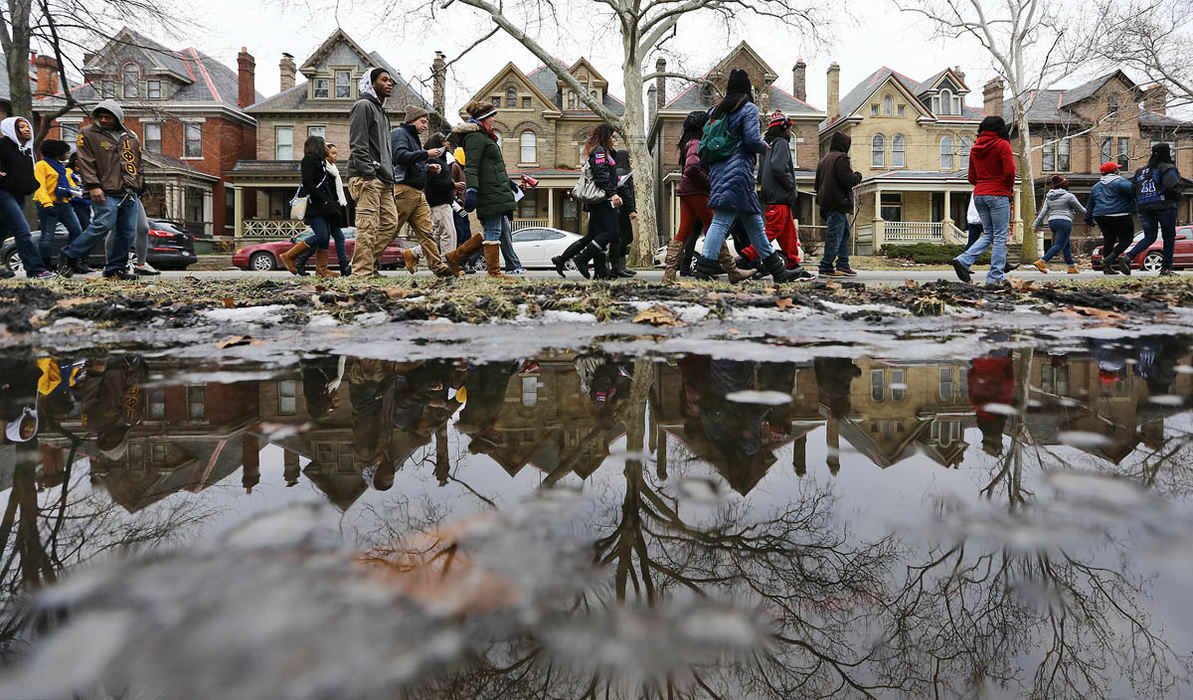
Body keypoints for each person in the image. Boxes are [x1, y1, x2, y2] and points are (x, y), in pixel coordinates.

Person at [695, 69, 800, 283]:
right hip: (739, 172)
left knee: (754, 223)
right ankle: (703, 270)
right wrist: (765, 147)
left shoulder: (716, 111)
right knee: (722, 221)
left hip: (718, 172)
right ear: (747, 91)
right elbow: (752, 140)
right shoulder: (748, 108)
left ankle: (778, 272)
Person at [57, 100, 143, 281]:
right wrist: (93, 186)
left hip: (129, 192)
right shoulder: (87, 134)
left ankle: (115, 269)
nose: (103, 120)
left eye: (108, 117)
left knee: (127, 232)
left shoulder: (130, 136)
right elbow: (86, 162)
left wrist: (139, 184)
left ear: (117, 117)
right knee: (102, 225)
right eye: (100, 116)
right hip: (105, 190)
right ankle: (69, 255)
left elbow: (137, 163)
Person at [661, 111, 747, 283]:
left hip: (688, 191)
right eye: (707, 124)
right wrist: (711, 183)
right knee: (715, 227)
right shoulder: (696, 143)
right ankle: (732, 271)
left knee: (684, 231)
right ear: (701, 126)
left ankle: (669, 274)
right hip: (697, 191)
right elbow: (692, 168)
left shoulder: (689, 142)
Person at [742, 110, 813, 280]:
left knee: (788, 234)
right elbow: (779, 168)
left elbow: (760, 176)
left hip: (776, 198)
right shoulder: (781, 143)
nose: (790, 132)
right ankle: (746, 257)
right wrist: (791, 185)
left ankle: (793, 264)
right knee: (771, 231)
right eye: (789, 128)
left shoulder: (766, 147)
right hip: (780, 197)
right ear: (783, 129)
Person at [345, 68, 401, 278]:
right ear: (371, 83)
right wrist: (368, 174)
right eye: (384, 80)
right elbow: (358, 145)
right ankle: (361, 272)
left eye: (390, 80)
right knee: (367, 226)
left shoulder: (381, 112)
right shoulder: (363, 106)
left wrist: (388, 177)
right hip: (366, 177)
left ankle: (363, 263)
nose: (389, 84)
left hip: (385, 179)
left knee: (390, 223)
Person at [550, 124, 621, 279]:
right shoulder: (599, 151)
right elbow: (600, 174)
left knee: (593, 236)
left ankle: (564, 260)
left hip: (600, 198)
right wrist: (613, 194)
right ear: (605, 137)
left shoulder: (604, 152)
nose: (614, 139)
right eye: (612, 136)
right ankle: (582, 259)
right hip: (600, 199)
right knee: (611, 232)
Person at [951, 115, 1015, 286]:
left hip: (979, 194)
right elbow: (1009, 172)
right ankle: (995, 277)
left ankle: (963, 260)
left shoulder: (975, 148)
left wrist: (983, 185)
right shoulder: (1003, 145)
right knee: (1000, 236)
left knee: (989, 234)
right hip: (998, 194)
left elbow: (971, 177)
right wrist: (1006, 188)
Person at [456, 100, 516, 279]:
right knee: (493, 230)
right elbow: (471, 166)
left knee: (492, 229)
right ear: (484, 117)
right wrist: (472, 190)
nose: (495, 120)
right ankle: (493, 272)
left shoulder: (485, 136)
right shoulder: (475, 137)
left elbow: (494, 166)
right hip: (488, 191)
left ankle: (455, 257)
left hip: (496, 189)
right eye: (492, 117)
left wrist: (508, 182)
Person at [391, 104, 453, 277]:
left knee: (427, 231)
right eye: (423, 121)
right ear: (412, 121)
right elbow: (400, 157)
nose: (426, 126)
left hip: (418, 193)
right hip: (403, 190)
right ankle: (366, 264)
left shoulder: (413, 138)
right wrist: (427, 154)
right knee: (390, 230)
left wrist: (427, 167)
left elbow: (414, 163)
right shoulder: (399, 134)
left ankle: (437, 266)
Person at [280, 136, 345, 278]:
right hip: (314, 206)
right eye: (324, 145)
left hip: (324, 207)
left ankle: (321, 270)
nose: (327, 148)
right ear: (317, 146)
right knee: (321, 235)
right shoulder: (309, 160)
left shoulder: (321, 162)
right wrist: (323, 200)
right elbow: (308, 184)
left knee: (325, 237)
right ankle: (289, 256)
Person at [0, 117, 52, 279]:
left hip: (19, 195)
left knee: (2, 231)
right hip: (3, 193)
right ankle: (35, 269)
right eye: (21, 127)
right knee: (22, 230)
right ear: (11, 130)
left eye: (27, 126)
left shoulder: (27, 150)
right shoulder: (2, 145)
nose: (27, 129)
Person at [1122, 142, 1182, 276]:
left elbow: (1132, 189)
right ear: (1166, 153)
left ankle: (1128, 257)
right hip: (1164, 206)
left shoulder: (1140, 171)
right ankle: (1166, 269)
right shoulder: (1168, 168)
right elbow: (1169, 186)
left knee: (1150, 236)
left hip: (1144, 206)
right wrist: (1178, 195)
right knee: (1169, 237)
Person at [814, 132, 863, 278]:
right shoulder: (840, 158)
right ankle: (826, 267)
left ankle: (843, 264)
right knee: (834, 235)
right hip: (837, 203)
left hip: (826, 203)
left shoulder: (823, 160)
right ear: (844, 144)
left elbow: (816, 184)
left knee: (844, 233)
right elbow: (847, 179)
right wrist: (858, 176)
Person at [33, 139, 84, 270]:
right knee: (47, 235)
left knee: (77, 231)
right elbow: (40, 186)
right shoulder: (41, 165)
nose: (67, 155)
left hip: (64, 204)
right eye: (65, 152)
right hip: (48, 205)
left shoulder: (62, 168)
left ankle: (69, 257)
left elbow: (71, 186)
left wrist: (72, 193)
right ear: (57, 153)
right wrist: (47, 204)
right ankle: (46, 264)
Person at [1085, 161, 1136, 275]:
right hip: (1119, 214)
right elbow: (1134, 191)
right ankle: (1109, 259)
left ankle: (1107, 268)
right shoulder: (1120, 182)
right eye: (1117, 169)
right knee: (1126, 240)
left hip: (1100, 216)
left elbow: (1090, 204)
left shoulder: (1096, 187)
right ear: (1114, 171)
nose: (1118, 170)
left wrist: (1088, 219)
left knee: (1109, 239)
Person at [1032, 174, 1086, 274]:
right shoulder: (1069, 196)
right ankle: (1042, 261)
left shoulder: (1049, 197)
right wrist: (1093, 212)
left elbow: (1042, 213)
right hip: (1064, 222)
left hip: (1052, 222)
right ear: (1064, 186)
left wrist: (1035, 225)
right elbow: (1081, 210)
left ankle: (1071, 266)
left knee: (1066, 243)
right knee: (1059, 244)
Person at [423, 131, 458, 261]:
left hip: (444, 203)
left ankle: (413, 254)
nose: (447, 143)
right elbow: (432, 182)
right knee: (448, 234)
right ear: (437, 144)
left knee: (437, 235)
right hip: (439, 203)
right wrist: (452, 185)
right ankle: (448, 262)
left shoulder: (441, 160)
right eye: (444, 141)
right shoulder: (432, 161)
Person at [610, 149, 637, 277]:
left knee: (626, 238)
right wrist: (632, 209)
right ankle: (616, 265)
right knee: (623, 238)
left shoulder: (622, 172)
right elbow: (626, 193)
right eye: (629, 157)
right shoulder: (620, 172)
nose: (631, 160)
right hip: (620, 210)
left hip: (623, 210)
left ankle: (622, 266)